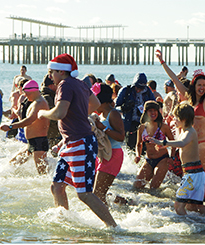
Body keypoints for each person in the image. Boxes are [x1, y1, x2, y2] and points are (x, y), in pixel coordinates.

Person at [38, 53, 117, 227]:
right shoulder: (80, 83)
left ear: (61, 71)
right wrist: (80, 114)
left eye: (52, 72)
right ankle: (64, 223)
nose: (50, 76)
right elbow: (95, 103)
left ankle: (114, 227)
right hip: (72, 143)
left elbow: (59, 113)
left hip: (80, 142)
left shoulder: (65, 85)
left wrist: (42, 113)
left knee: (84, 194)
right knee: (57, 186)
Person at [156, 42, 205, 195]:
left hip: (203, 144)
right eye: (199, 85)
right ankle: (193, 202)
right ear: (194, 85)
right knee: (189, 176)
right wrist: (162, 62)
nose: (202, 88)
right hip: (187, 144)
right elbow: (174, 78)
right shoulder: (187, 97)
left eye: (204, 85)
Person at [150, 102, 205, 215]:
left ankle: (188, 228)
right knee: (194, 207)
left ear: (183, 119)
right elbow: (179, 140)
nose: (174, 120)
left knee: (178, 206)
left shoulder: (190, 132)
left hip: (193, 174)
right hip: (196, 173)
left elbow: (182, 143)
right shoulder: (185, 131)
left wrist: (162, 142)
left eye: (176, 118)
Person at [0, 80, 50, 175]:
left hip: (39, 142)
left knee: (43, 174)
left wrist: (11, 127)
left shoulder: (39, 103)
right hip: (31, 142)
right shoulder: (35, 102)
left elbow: (29, 120)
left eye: (26, 93)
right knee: (12, 164)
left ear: (33, 91)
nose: (25, 96)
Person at [90, 83, 126, 205]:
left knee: (97, 194)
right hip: (103, 155)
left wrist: (104, 128)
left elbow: (121, 137)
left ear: (101, 100)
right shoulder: (100, 115)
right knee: (96, 191)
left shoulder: (113, 113)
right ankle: (125, 203)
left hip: (113, 155)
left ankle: (107, 220)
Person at [133, 101, 175, 190]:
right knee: (136, 186)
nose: (153, 113)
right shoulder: (141, 128)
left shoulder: (164, 126)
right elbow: (138, 144)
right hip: (148, 160)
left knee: (153, 188)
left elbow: (173, 142)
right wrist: (138, 155)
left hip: (163, 159)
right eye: (150, 111)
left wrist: (172, 157)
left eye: (155, 110)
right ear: (145, 112)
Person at [115, 73, 155, 151]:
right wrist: (124, 107)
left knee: (144, 149)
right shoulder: (126, 90)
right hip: (130, 124)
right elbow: (115, 108)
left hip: (145, 124)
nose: (138, 90)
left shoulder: (148, 92)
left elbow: (154, 106)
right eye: (137, 87)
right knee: (130, 148)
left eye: (141, 88)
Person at [40, 74, 61, 151]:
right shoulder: (47, 98)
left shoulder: (45, 96)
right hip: (52, 135)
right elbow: (53, 116)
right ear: (51, 85)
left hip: (50, 134)